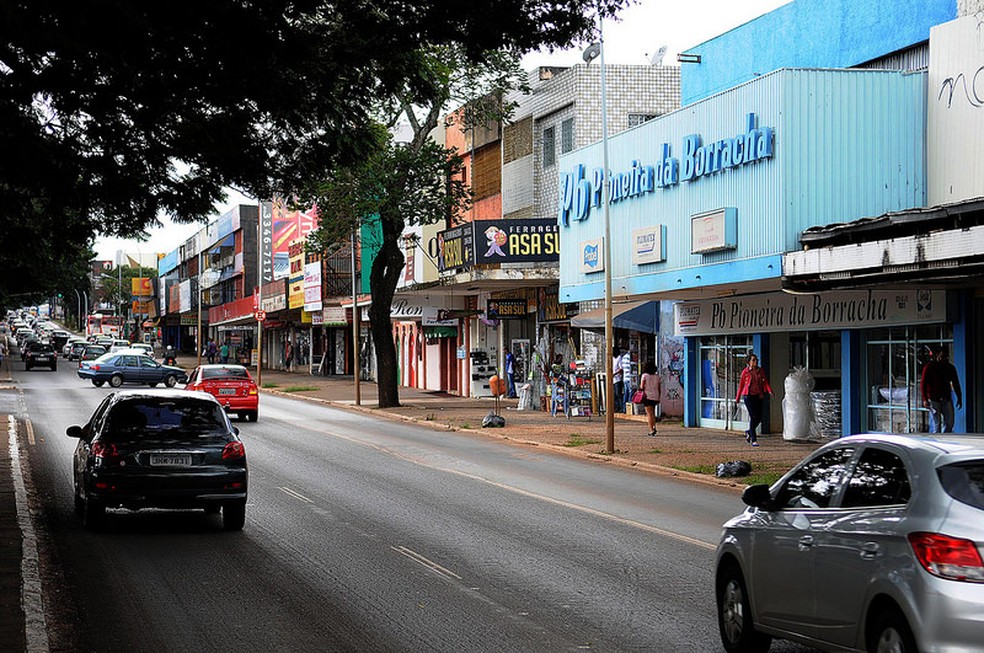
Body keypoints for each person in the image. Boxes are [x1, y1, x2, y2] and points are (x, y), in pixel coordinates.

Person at [921, 345, 962, 433]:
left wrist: (959, 397)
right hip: (933, 398)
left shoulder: (950, 368)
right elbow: (923, 384)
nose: (942, 359)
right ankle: (938, 441)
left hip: (946, 397)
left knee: (949, 423)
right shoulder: (929, 367)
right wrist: (925, 399)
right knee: (937, 423)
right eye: (940, 356)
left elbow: (956, 383)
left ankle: (945, 438)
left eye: (944, 357)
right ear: (937, 356)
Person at [735, 353, 773, 446]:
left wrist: (770, 391)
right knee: (753, 416)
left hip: (758, 395)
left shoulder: (760, 371)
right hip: (748, 396)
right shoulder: (745, 372)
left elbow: (765, 383)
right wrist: (738, 397)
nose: (755, 362)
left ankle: (749, 431)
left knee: (759, 418)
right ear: (749, 362)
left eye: (756, 360)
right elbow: (741, 386)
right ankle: (754, 439)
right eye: (753, 360)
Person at [640, 361, 662, 436]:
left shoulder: (644, 376)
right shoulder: (657, 377)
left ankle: (651, 430)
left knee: (649, 414)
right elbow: (659, 388)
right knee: (652, 413)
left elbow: (642, 387)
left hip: (647, 396)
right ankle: (654, 426)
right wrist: (659, 397)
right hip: (655, 396)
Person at [620, 348, 634, 413]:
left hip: (625, 378)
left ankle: (624, 409)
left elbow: (622, 367)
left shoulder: (623, 357)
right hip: (630, 378)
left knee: (626, 393)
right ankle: (629, 409)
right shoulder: (630, 357)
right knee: (631, 393)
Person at [612, 347, 625, 413]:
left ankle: (621, 407)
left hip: (617, 378)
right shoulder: (612, 358)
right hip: (612, 379)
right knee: (614, 394)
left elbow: (621, 368)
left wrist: (615, 374)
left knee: (618, 394)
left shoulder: (619, 358)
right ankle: (616, 407)